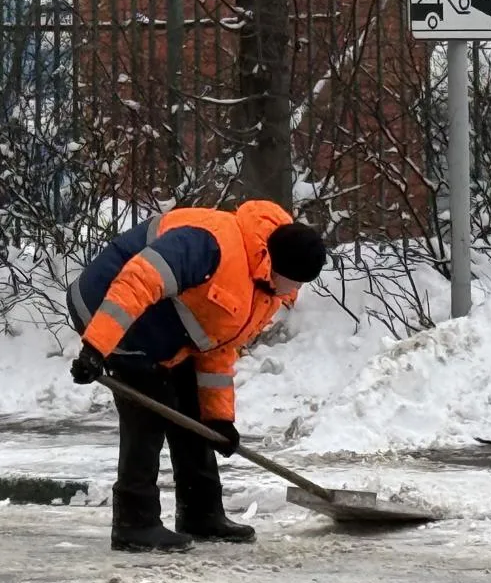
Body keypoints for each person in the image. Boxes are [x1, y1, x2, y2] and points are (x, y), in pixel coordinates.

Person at [67, 201, 327, 552]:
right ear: (273, 260)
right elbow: (137, 281)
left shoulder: (267, 288)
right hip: (105, 304)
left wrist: (219, 420)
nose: (291, 291)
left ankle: (200, 513)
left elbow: (218, 344)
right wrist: (96, 348)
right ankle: (134, 523)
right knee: (150, 409)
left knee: (193, 411)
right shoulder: (210, 245)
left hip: (165, 321)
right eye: (291, 281)